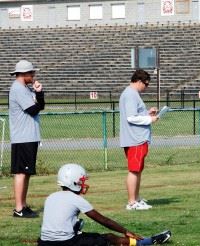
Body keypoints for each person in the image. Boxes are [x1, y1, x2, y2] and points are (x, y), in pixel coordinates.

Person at [38, 163, 171, 246]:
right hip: (66, 243)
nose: (83, 184)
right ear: (74, 182)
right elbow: (103, 220)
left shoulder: (50, 197)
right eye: (81, 181)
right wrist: (126, 231)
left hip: (43, 243)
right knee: (109, 237)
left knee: (80, 228)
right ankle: (146, 242)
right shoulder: (76, 199)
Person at [9, 60, 45, 218]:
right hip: (22, 137)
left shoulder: (25, 88)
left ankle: (23, 205)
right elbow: (33, 109)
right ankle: (19, 209)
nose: (33, 75)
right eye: (31, 73)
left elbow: (40, 106)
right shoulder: (18, 89)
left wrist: (38, 93)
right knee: (21, 173)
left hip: (29, 136)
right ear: (23, 74)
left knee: (26, 172)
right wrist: (38, 97)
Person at [119, 69, 159, 210]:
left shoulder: (132, 94)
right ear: (139, 81)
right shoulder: (130, 94)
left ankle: (136, 198)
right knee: (134, 170)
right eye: (146, 84)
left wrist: (147, 113)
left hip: (138, 138)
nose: (146, 87)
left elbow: (135, 114)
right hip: (135, 138)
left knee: (138, 170)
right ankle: (131, 202)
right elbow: (131, 117)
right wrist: (150, 119)